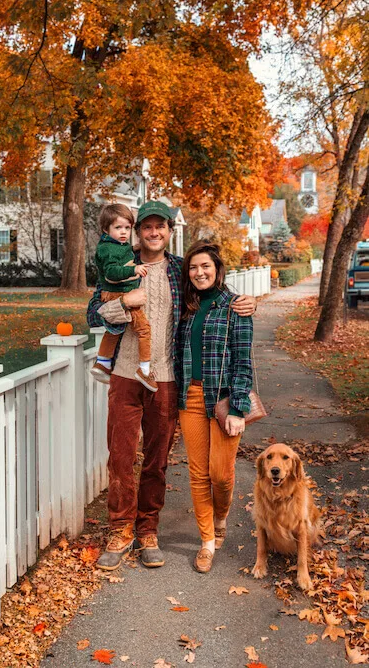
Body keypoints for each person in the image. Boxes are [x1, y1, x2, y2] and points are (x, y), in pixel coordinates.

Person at [87, 200, 256, 571]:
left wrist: (246, 303)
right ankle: (120, 530)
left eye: (159, 226)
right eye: (146, 227)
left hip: (166, 380)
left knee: (157, 461)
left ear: (168, 230)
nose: (153, 233)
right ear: (137, 231)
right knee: (120, 457)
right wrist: (124, 304)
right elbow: (92, 312)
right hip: (125, 377)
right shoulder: (120, 265)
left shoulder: (181, 269)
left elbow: (213, 293)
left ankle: (148, 531)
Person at [175, 240, 253, 574]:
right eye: (193, 267)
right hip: (190, 399)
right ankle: (207, 542)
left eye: (205, 266)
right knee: (197, 473)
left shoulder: (235, 306)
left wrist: (238, 407)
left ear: (217, 269)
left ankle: (221, 517)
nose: (199, 272)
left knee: (220, 475)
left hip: (222, 400)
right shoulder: (186, 307)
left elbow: (243, 360)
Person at [91, 203, 157, 392]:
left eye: (127, 228)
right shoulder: (108, 249)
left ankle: (102, 362)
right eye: (118, 227)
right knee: (144, 329)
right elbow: (111, 273)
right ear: (106, 229)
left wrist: (135, 247)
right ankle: (144, 369)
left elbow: (123, 254)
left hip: (117, 294)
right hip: (120, 294)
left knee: (116, 328)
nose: (123, 232)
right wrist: (134, 269)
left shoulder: (116, 245)